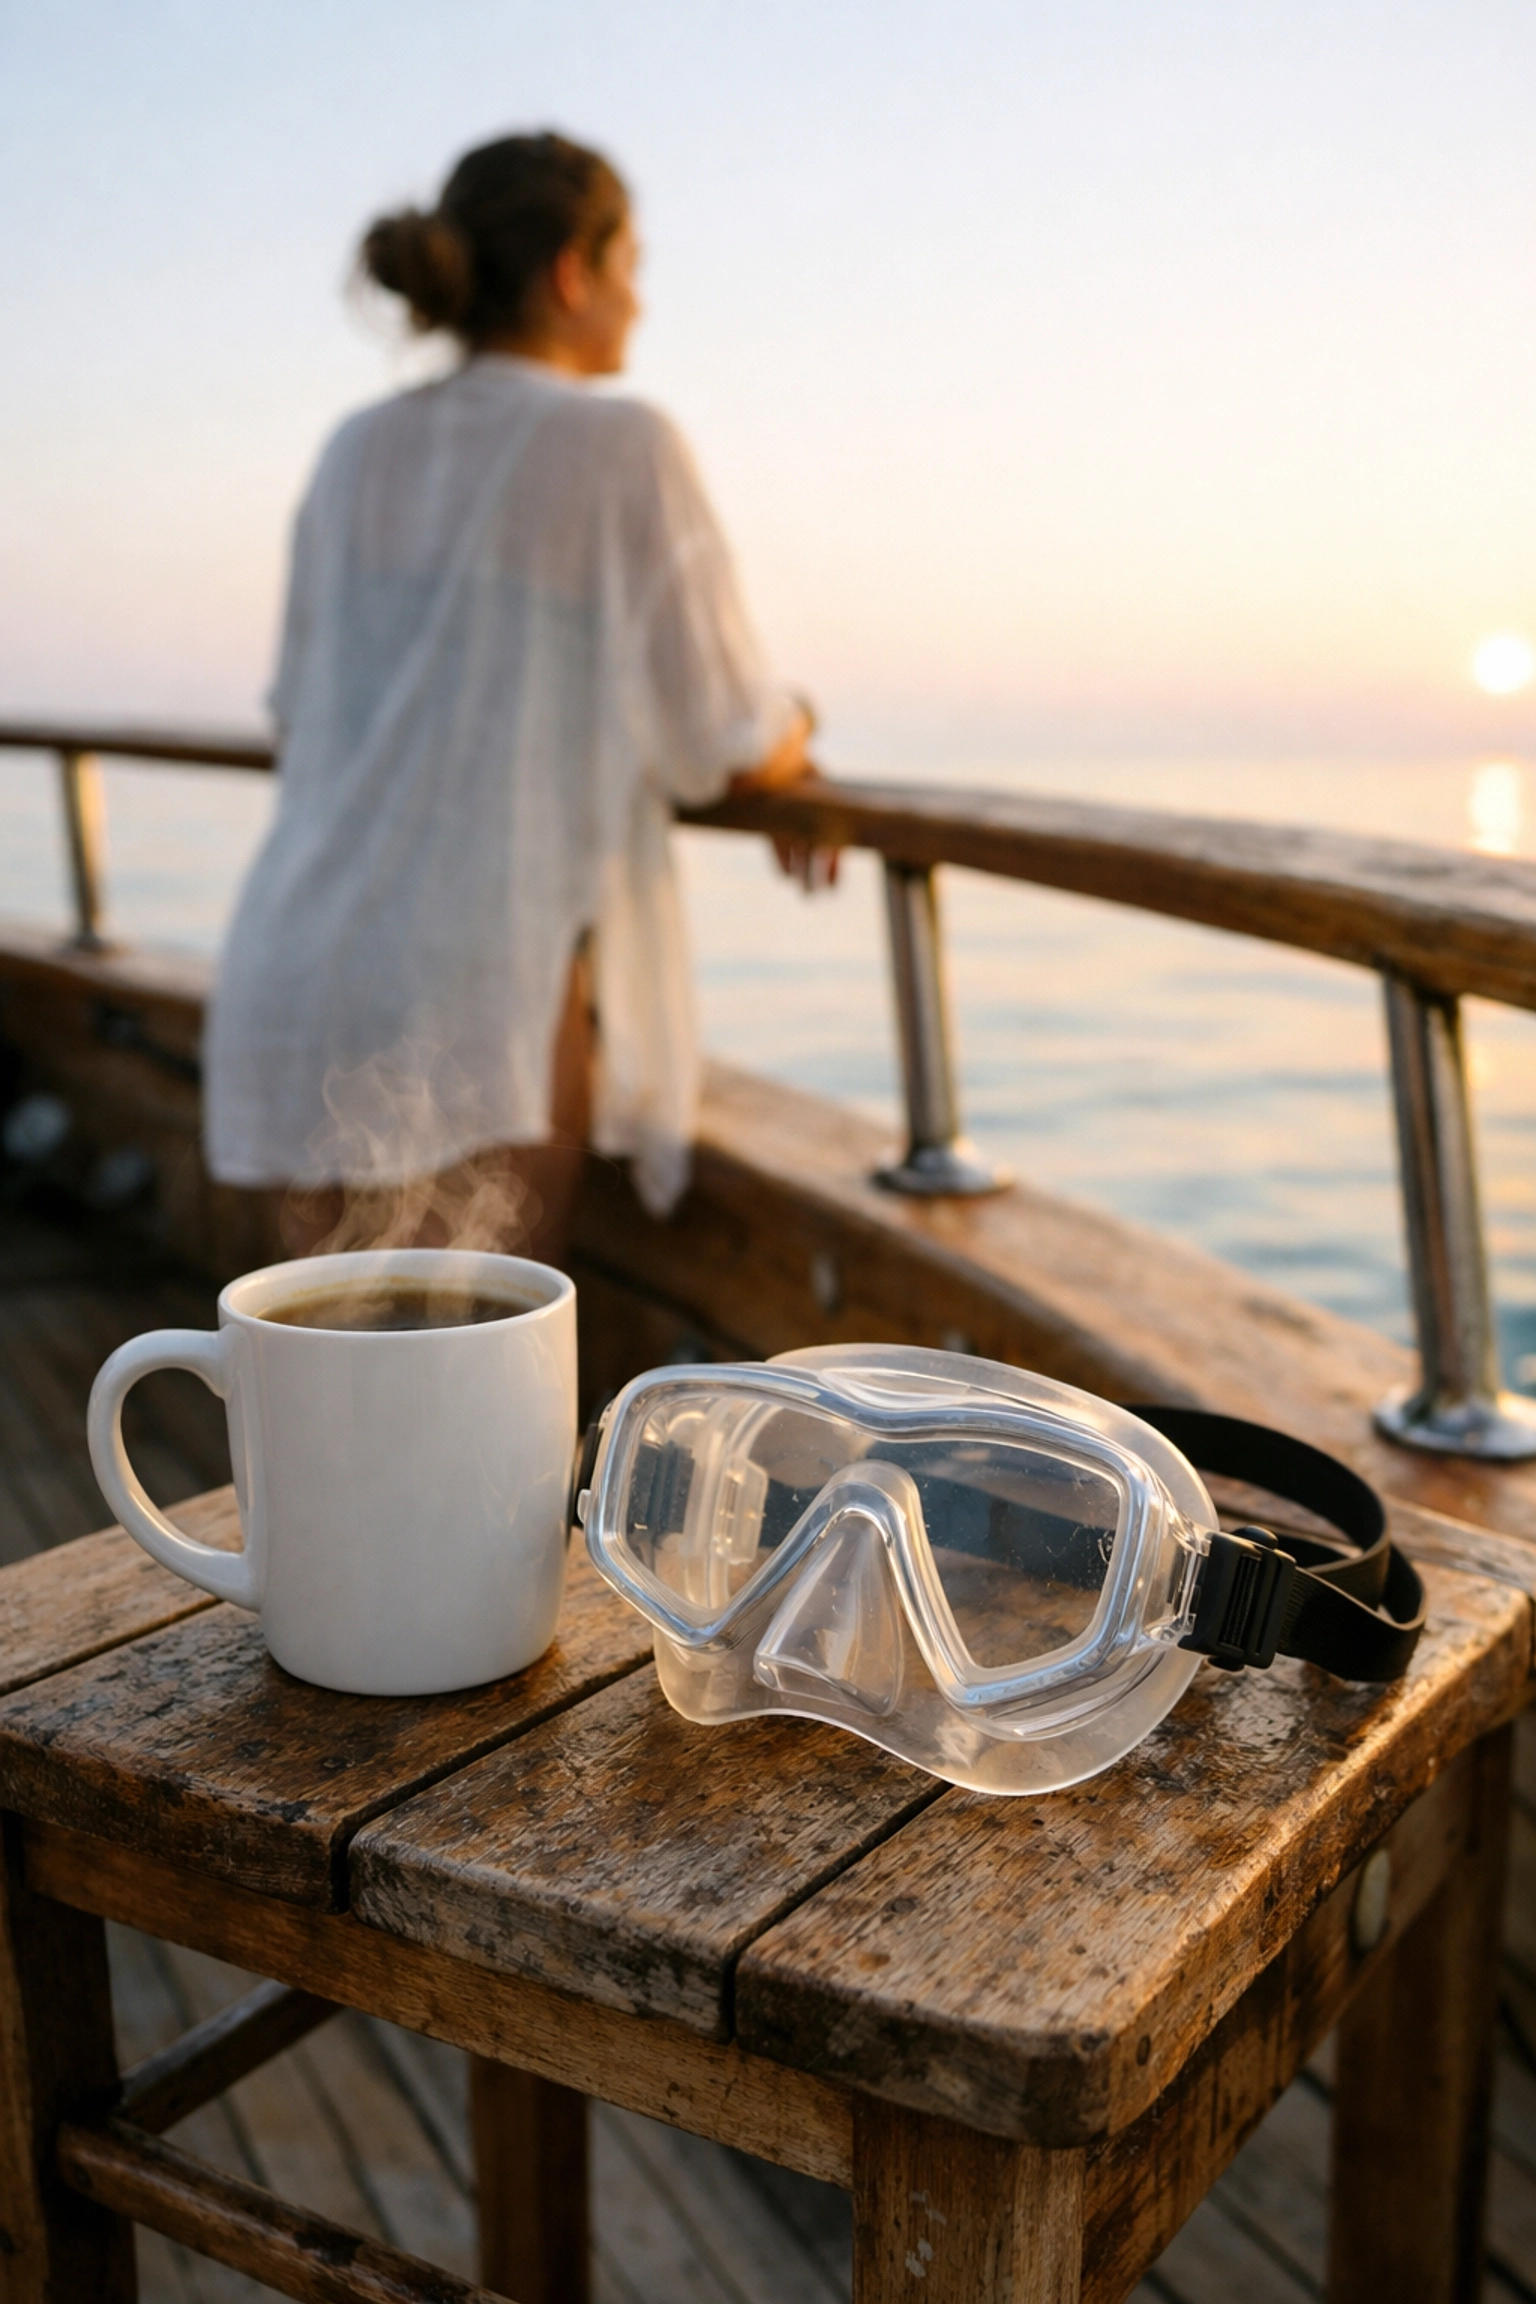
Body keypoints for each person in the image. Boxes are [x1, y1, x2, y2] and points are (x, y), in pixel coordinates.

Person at [204, 130, 823, 1264]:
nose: (639, 301)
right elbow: (729, 735)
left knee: (324, 1416)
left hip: (292, 979)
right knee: (468, 1415)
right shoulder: (619, 443)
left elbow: (301, 717)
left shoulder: (356, 450)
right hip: (467, 1002)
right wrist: (805, 735)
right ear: (571, 273)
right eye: (630, 264)